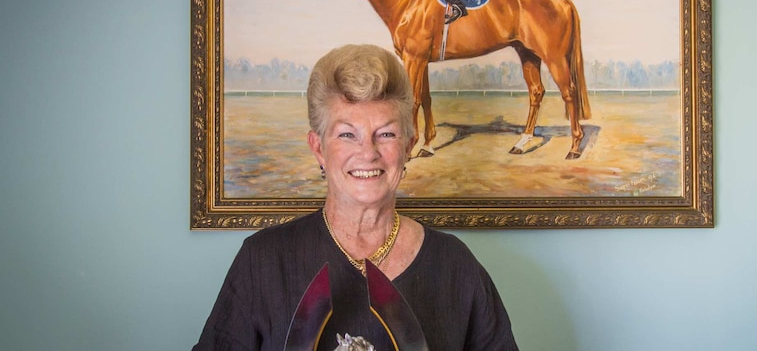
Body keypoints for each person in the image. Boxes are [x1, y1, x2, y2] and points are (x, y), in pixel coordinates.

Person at [193, 44, 518, 350]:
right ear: (318, 147)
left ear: (408, 146)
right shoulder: (263, 261)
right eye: (347, 134)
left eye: (386, 134)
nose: (368, 153)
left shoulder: (456, 266)